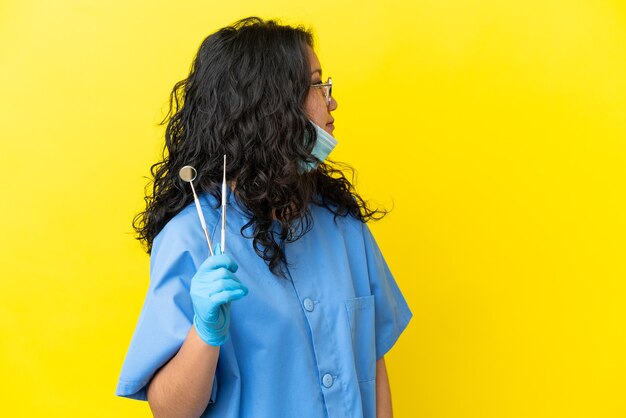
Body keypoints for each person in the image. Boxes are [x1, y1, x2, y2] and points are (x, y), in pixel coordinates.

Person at [116, 17, 412, 418]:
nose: (331, 99)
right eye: (317, 83)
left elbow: (373, 368)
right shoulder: (191, 238)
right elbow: (169, 411)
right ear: (271, 103)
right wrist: (204, 334)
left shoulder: (343, 226)